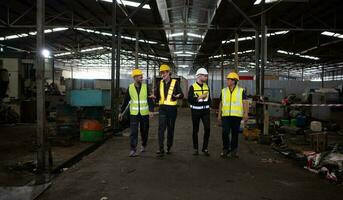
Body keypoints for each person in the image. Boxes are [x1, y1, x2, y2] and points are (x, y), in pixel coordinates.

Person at [119, 68, 154, 157]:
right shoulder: (130, 88)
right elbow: (125, 101)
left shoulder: (146, 87)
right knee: (133, 132)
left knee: (144, 130)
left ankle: (143, 144)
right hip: (134, 113)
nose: (141, 77)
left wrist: (151, 110)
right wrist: (121, 112)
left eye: (141, 76)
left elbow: (150, 100)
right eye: (139, 76)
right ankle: (133, 149)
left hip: (144, 113)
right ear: (134, 78)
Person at [151, 64, 184, 156]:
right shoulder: (159, 83)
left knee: (170, 129)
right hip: (162, 109)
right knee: (161, 128)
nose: (163, 75)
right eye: (161, 73)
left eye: (164, 72)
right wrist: (154, 97)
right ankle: (160, 148)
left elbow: (181, 94)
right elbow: (157, 97)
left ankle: (169, 147)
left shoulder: (175, 83)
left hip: (172, 110)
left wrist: (178, 95)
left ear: (169, 73)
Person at [218, 72, 249, 158]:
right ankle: (225, 150)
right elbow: (221, 103)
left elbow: (245, 102)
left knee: (235, 134)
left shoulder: (241, 91)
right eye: (227, 79)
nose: (227, 81)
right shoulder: (223, 91)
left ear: (234, 81)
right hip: (226, 116)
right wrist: (219, 114)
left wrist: (246, 113)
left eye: (229, 79)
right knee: (225, 132)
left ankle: (234, 151)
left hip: (236, 116)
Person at [188, 68, 211, 156]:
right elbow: (189, 100)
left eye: (206, 76)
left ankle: (205, 148)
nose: (206, 77)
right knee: (195, 130)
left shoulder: (207, 87)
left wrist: (210, 105)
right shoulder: (192, 87)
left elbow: (209, 98)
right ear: (199, 76)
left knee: (208, 129)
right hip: (195, 112)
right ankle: (195, 148)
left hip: (205, 111)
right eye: (204, 76)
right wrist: (199, 97)